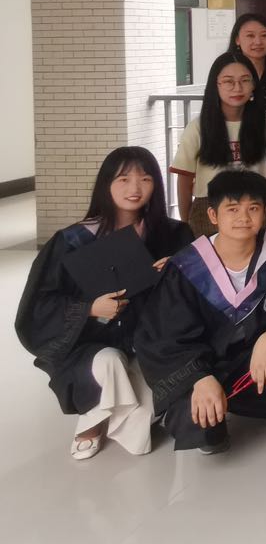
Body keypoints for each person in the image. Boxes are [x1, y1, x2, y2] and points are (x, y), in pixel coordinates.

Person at [15, 147, 189, 460]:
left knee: (145, 418)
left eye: (145, 179)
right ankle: (92, 422)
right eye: (123, 179)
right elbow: (39, 305)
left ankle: (119, 408)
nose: (134, 188)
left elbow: (199, 294)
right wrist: (89, 309)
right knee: (108, 362)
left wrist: (176, 273)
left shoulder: (174, 235)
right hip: (91, 344)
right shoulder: (73, 240)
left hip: (151, 342)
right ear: (106, 184)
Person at [136, 171, 266, 460]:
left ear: (265, 212)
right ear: (213, 215)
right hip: (212, 365)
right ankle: (214, 417)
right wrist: (199, 377)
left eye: (253, 208)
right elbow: (166, 335)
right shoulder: (187, 266)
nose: (243, 218)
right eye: (232, 209)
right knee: (196, 423)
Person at [170, 51, 266, 236]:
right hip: (209, 211)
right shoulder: (198, 127)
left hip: (255, 209)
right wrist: (185, 225)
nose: (237, 88)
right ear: (215, 85)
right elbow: (184, 180)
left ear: (254, 85)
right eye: (228, 81)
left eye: (245, 80)